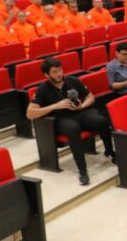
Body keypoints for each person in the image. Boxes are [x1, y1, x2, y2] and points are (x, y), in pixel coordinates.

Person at [27, 57, 116, 186]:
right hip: (61, 118)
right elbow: (30, 113)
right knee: (73, 129)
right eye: (54, 72)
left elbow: (90, 96)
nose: (59, 74)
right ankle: (82, 170)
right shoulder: (42, 89)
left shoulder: (73, 81)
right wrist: (55, 106)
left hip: (80, 112)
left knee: (101, 121)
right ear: (46, 75)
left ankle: (110, 152)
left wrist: (83, 105)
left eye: (60, 70)